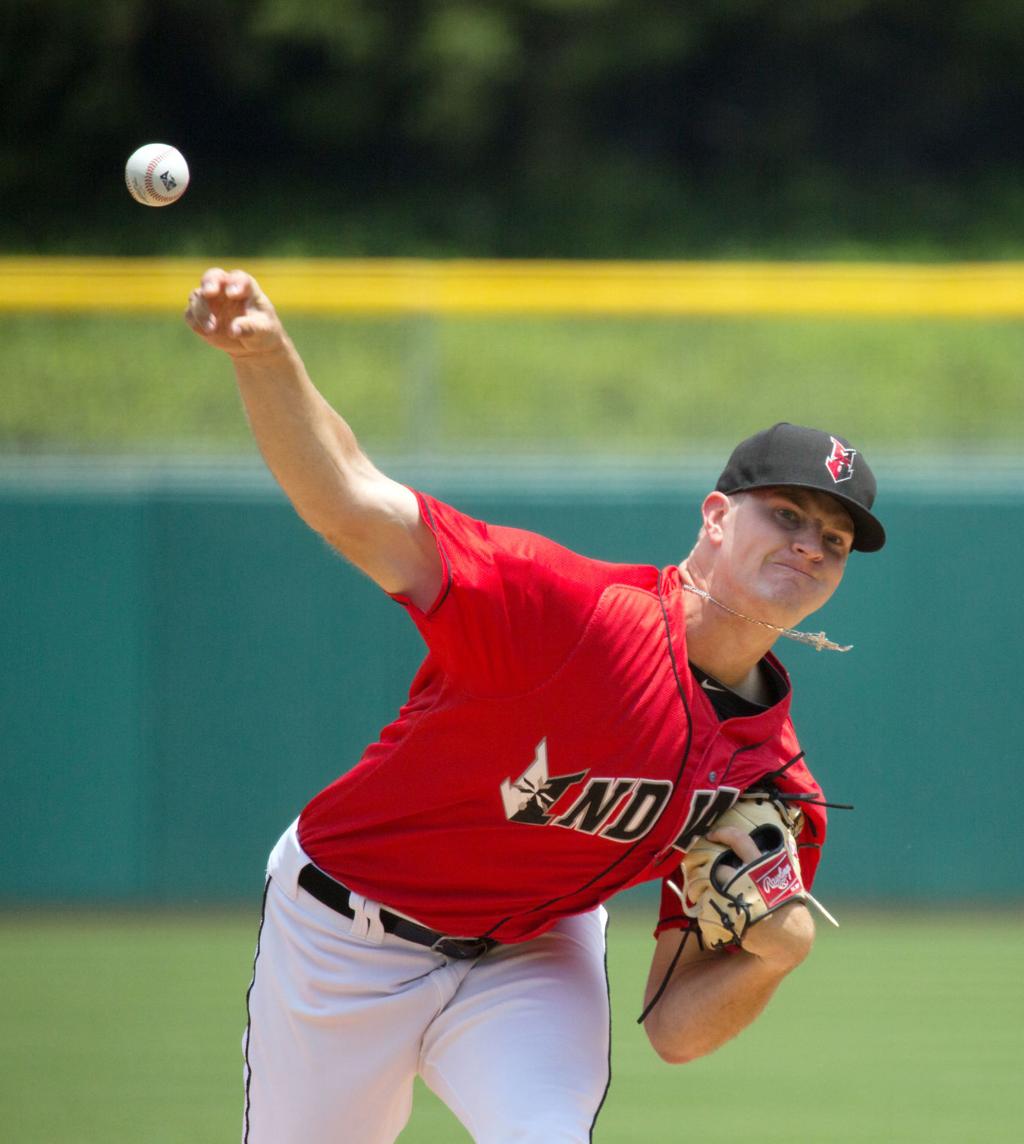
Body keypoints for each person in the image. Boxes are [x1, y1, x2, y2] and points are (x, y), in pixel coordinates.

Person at [185, 267, 886, 1144]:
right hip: (345, 932)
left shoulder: (773, 780)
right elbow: (352, 502)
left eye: (835, 539)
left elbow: (675, 1030)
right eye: (787, 514)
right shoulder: (569, 615)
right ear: (714, 516)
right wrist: (267, 357)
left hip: (531, 952)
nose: (811, 546)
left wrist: (777, 954)